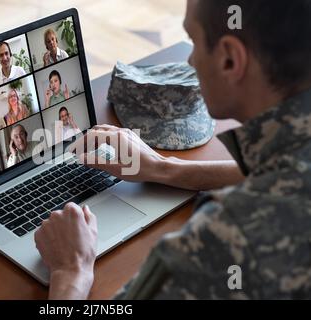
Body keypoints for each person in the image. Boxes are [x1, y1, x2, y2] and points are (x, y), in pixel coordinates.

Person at [34, 0, 311, 299]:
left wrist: (70, 273)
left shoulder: (226, 236)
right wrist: (164, 167)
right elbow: (280, 171)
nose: (190, 61)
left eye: (193, 41)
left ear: (230, 60)